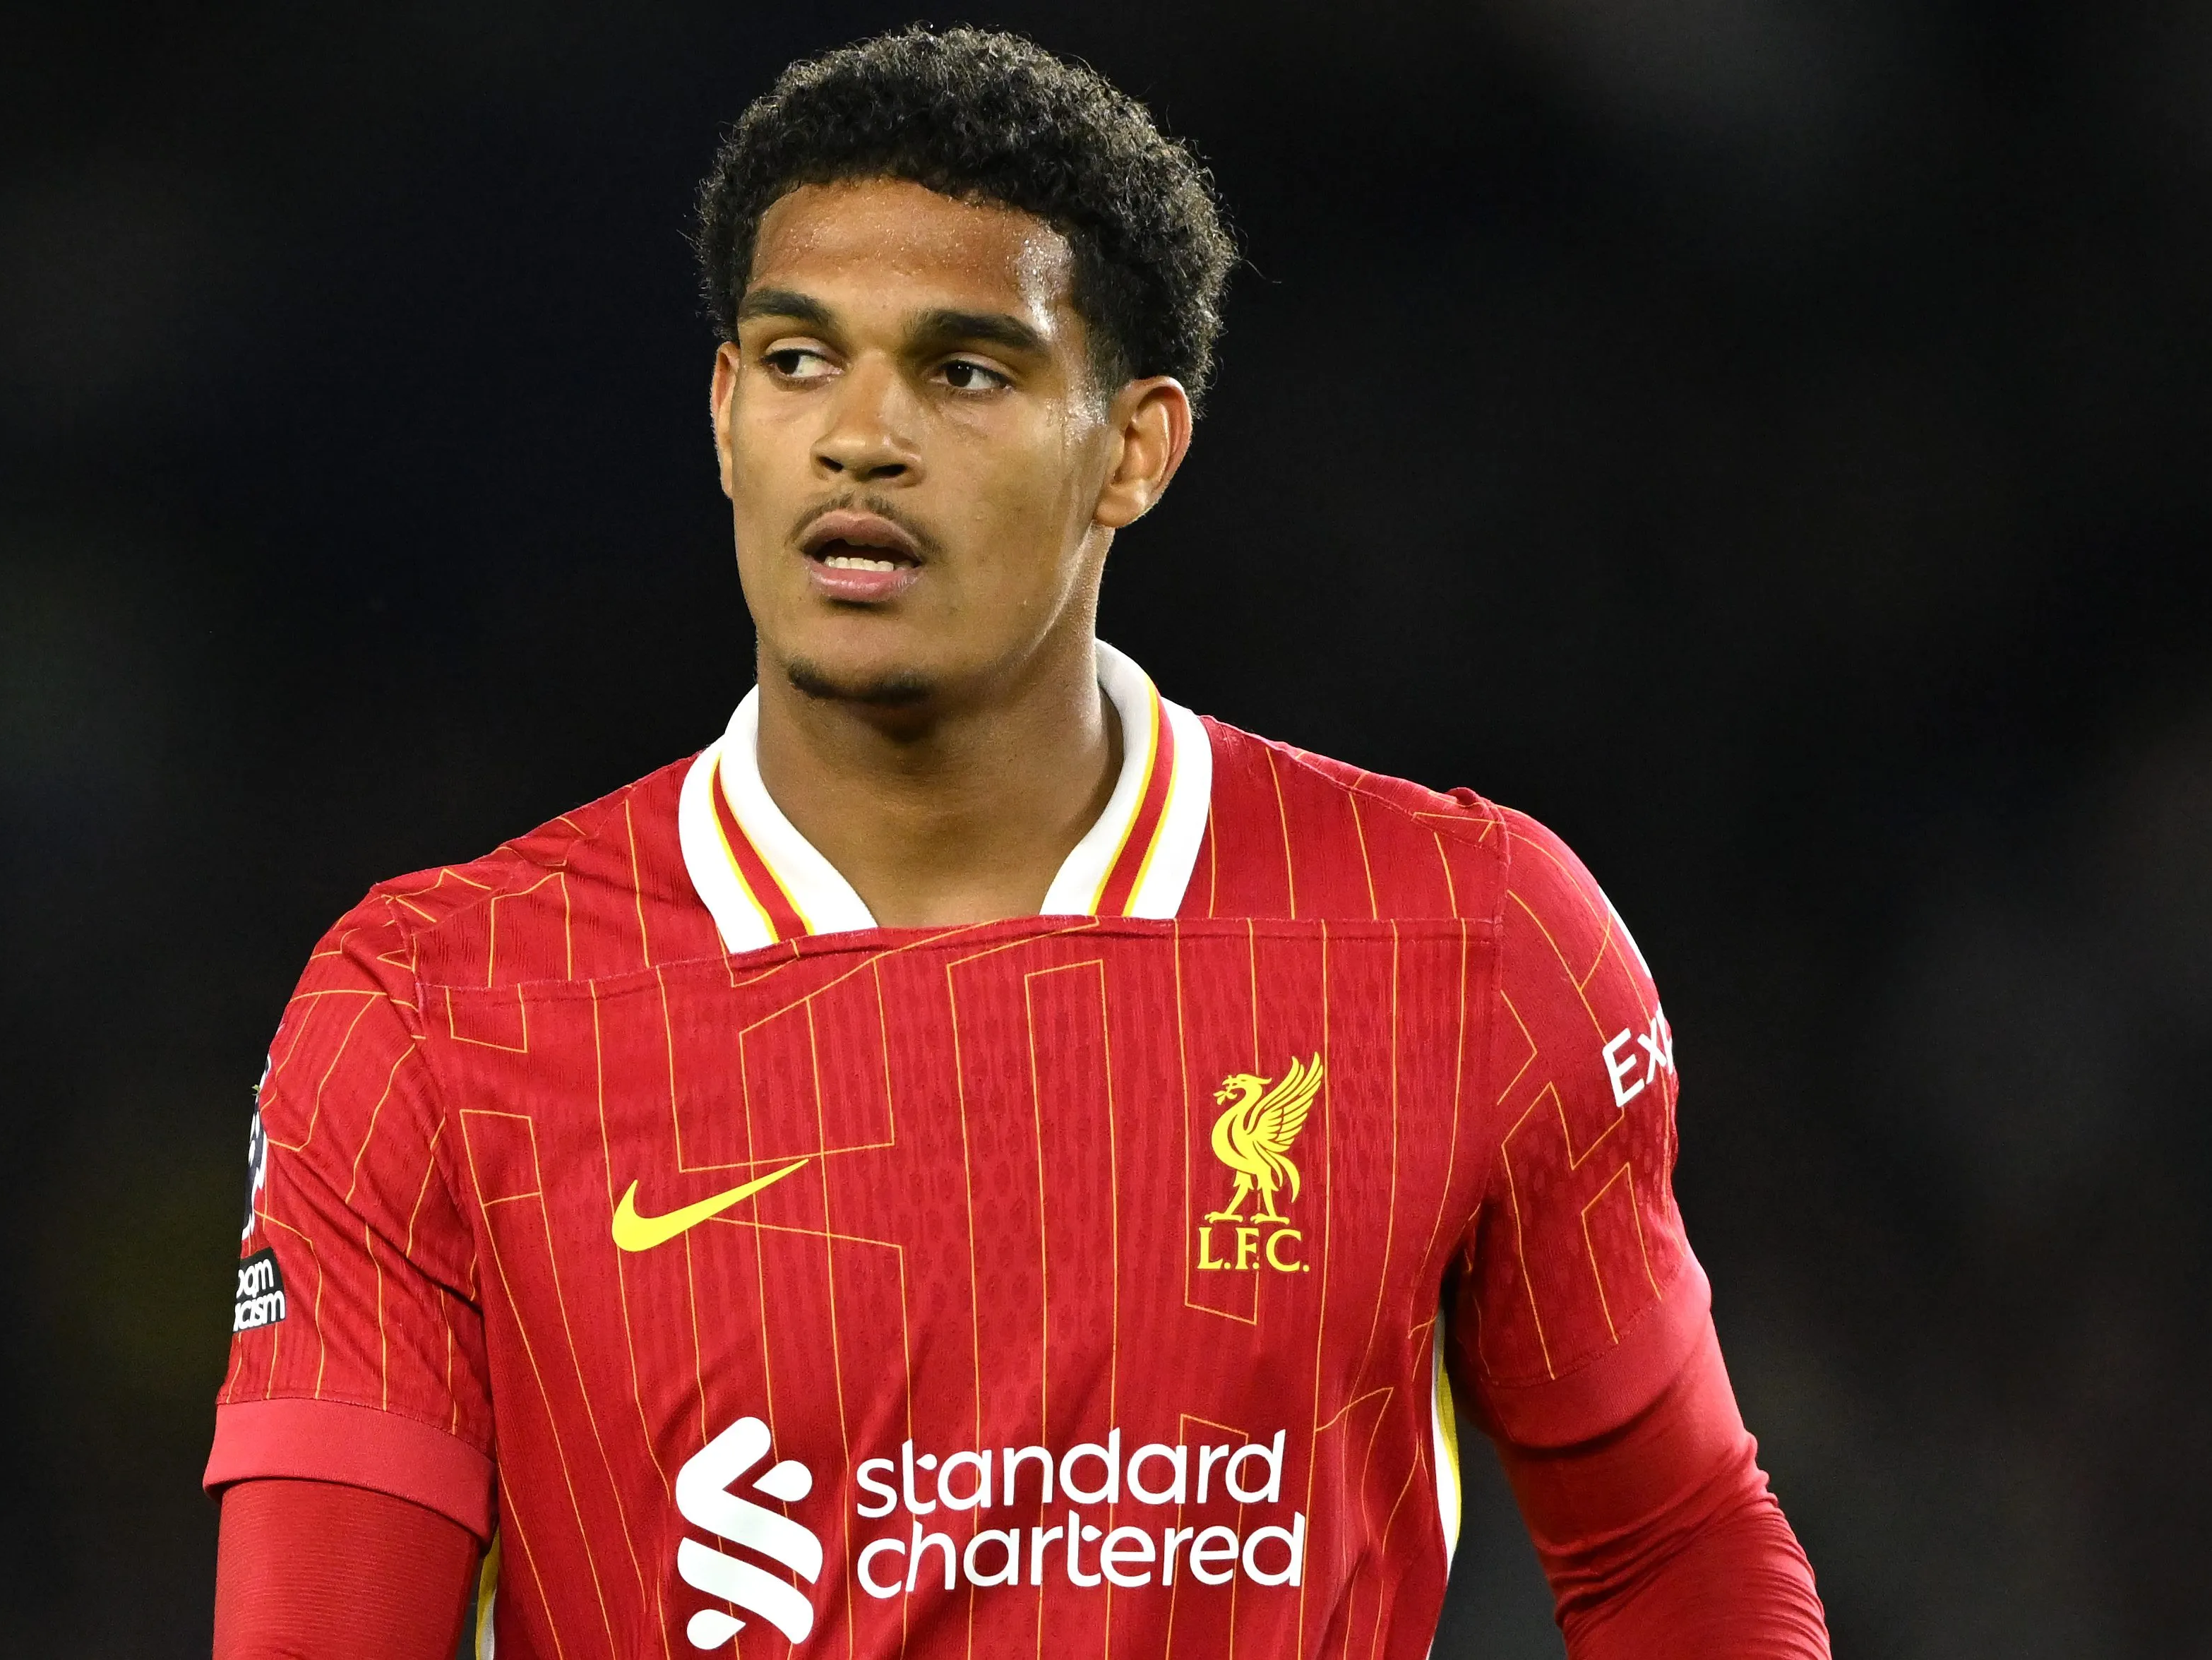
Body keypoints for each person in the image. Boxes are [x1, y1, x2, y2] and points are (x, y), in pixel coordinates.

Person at [205, 26, 1827, 1659]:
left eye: (961, 370)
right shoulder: (435, 1007)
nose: (856, 436)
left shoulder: (1471, 939)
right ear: (719, 414)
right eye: (793, 360)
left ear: (1132, 446)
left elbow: (1671, 1540)